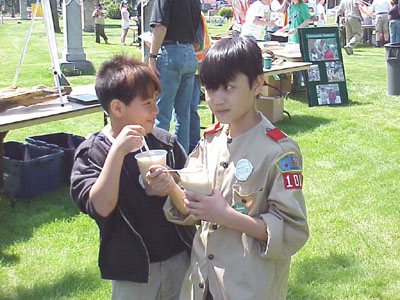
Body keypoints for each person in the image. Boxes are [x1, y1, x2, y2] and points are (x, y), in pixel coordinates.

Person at [147, 37, 309, 300]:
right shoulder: (210, 141)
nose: (217, 99)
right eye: (210, 89)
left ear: (257, 84)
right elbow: (194, 209)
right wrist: (170, 187)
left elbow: (292, 231)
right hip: (202, 283)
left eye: (228, 87)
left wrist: (227, 216)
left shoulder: (278, 151)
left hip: (247, 287)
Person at [70, 55, 195, 300]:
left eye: (156, 101)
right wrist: (117, 152)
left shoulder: (164, 143)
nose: (156, 110)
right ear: (117, 108)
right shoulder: (92, 153)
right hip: (133, 272)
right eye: (147, 103)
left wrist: (170, 186)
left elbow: (191, 206)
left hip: (180, 259)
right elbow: (102, 207)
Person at [149, 0, 201, 153]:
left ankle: (160, 156)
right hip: (190, 54)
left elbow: (161, 26)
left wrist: (152, 56)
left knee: (161, 113)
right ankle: (181, 158)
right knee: (183, 114)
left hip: (170, 53)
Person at [190, 13, 211, 152]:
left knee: (190, 109)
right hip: (196, 64)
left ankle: (193, 145)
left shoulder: (195, 15)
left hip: (195, 66)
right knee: (189, 109)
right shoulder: (196, 13)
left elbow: (196, 43)